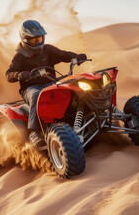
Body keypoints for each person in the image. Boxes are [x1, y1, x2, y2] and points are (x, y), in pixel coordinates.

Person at [5, 20, 87, 148]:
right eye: (34, 40)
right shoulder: (19, 57)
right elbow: (9, 74)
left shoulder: (48, 49)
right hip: (31, 89)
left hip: (51, 83)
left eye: (40, 38)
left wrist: (77, 57)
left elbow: (64, 55)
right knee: (37, 95)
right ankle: (34, 133)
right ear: (25, 39)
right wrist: (19, 75)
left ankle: (83, 119)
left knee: (75, 88)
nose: (39, 42)